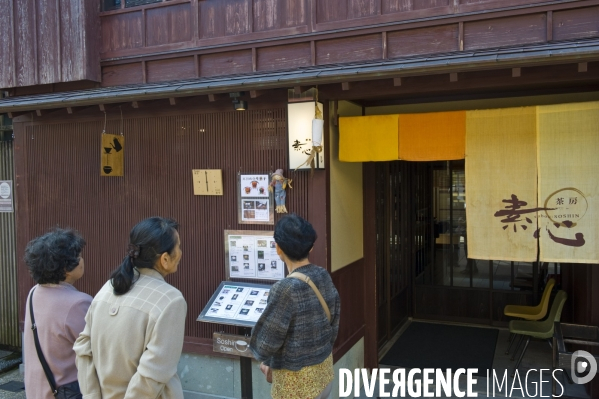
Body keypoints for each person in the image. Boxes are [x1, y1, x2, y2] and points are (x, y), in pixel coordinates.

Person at [74, 217, 187, 399]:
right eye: (179, 247)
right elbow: (153, 373)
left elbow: (83, 348)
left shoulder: (109, 287)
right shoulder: (171, 300)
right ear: (165, 259)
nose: (181, 252)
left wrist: (91, 395)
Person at [250, 214, 341, 399]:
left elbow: (264, 344)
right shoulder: (322, 275)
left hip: (296, 385)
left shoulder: (285, 289)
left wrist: (264, 357)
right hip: (323, 374)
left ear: (278, 248)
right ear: (311, 247)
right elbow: (334, 320)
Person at [23, 228, 92, 399]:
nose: (82, 260)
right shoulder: (78, 303)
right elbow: (100, 350)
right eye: (78, 256)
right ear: (66, 269)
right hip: (66, 392)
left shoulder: (34, 292)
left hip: (38, 389)